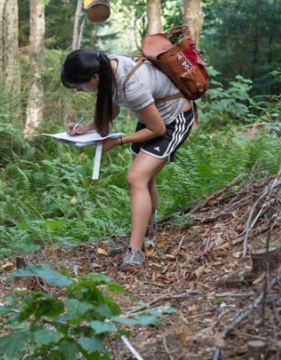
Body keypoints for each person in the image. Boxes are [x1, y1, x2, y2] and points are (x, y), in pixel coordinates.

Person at [61, 50, 193, 271]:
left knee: (136, 178)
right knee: (144, 179)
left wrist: (119, 140)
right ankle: (147, 234)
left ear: (94, 77)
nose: (78, 90)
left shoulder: (131, 85)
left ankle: (135, 252)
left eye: (79, 85)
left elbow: (158, 128)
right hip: (151, 116)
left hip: (173, 119)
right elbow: (111, 111)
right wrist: (84, 128)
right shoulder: (106, 69)